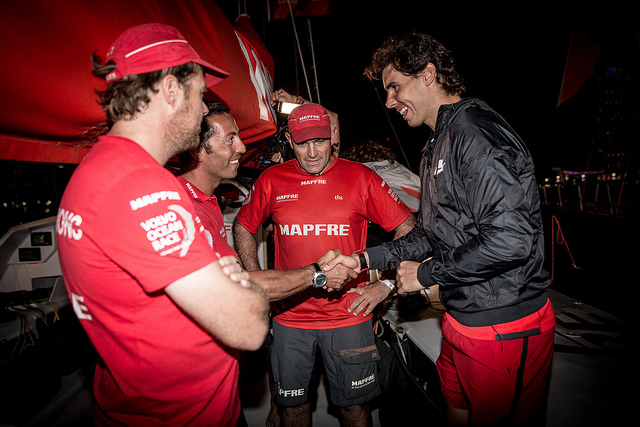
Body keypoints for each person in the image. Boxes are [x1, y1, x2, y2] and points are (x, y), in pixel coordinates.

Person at [326, 31, 556, 426]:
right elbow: (428, 234)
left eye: (395, 87)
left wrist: (427, 274)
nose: (389, 101)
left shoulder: (476, 131)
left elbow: (510, 240)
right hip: (459, 321)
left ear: (428, 74)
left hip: (504, 327)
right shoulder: (436, 144)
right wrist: (361, 259)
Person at [55, 23, 270, 426]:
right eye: (201, 95)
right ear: (171, 90)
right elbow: (247, 328)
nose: (205, 109)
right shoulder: (139, 185)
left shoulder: (97, 168)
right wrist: (245, 288)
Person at [233, 102, 416, 426]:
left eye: (319, 140)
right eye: (303, 143)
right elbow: (244, 225)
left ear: (332, 136)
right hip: (289, 319)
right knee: (292, 410)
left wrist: (386, 284)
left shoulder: (361, 177)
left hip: (350, 316)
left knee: (354, 410)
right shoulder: (272, 179)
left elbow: (407, 228)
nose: (313, 151)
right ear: (290, 141)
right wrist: (254, 279)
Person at [341, 139, 421, 213]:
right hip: (419, 204)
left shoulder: (358, 169)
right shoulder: (393, 163)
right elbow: (421, 184)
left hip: (395, 209)